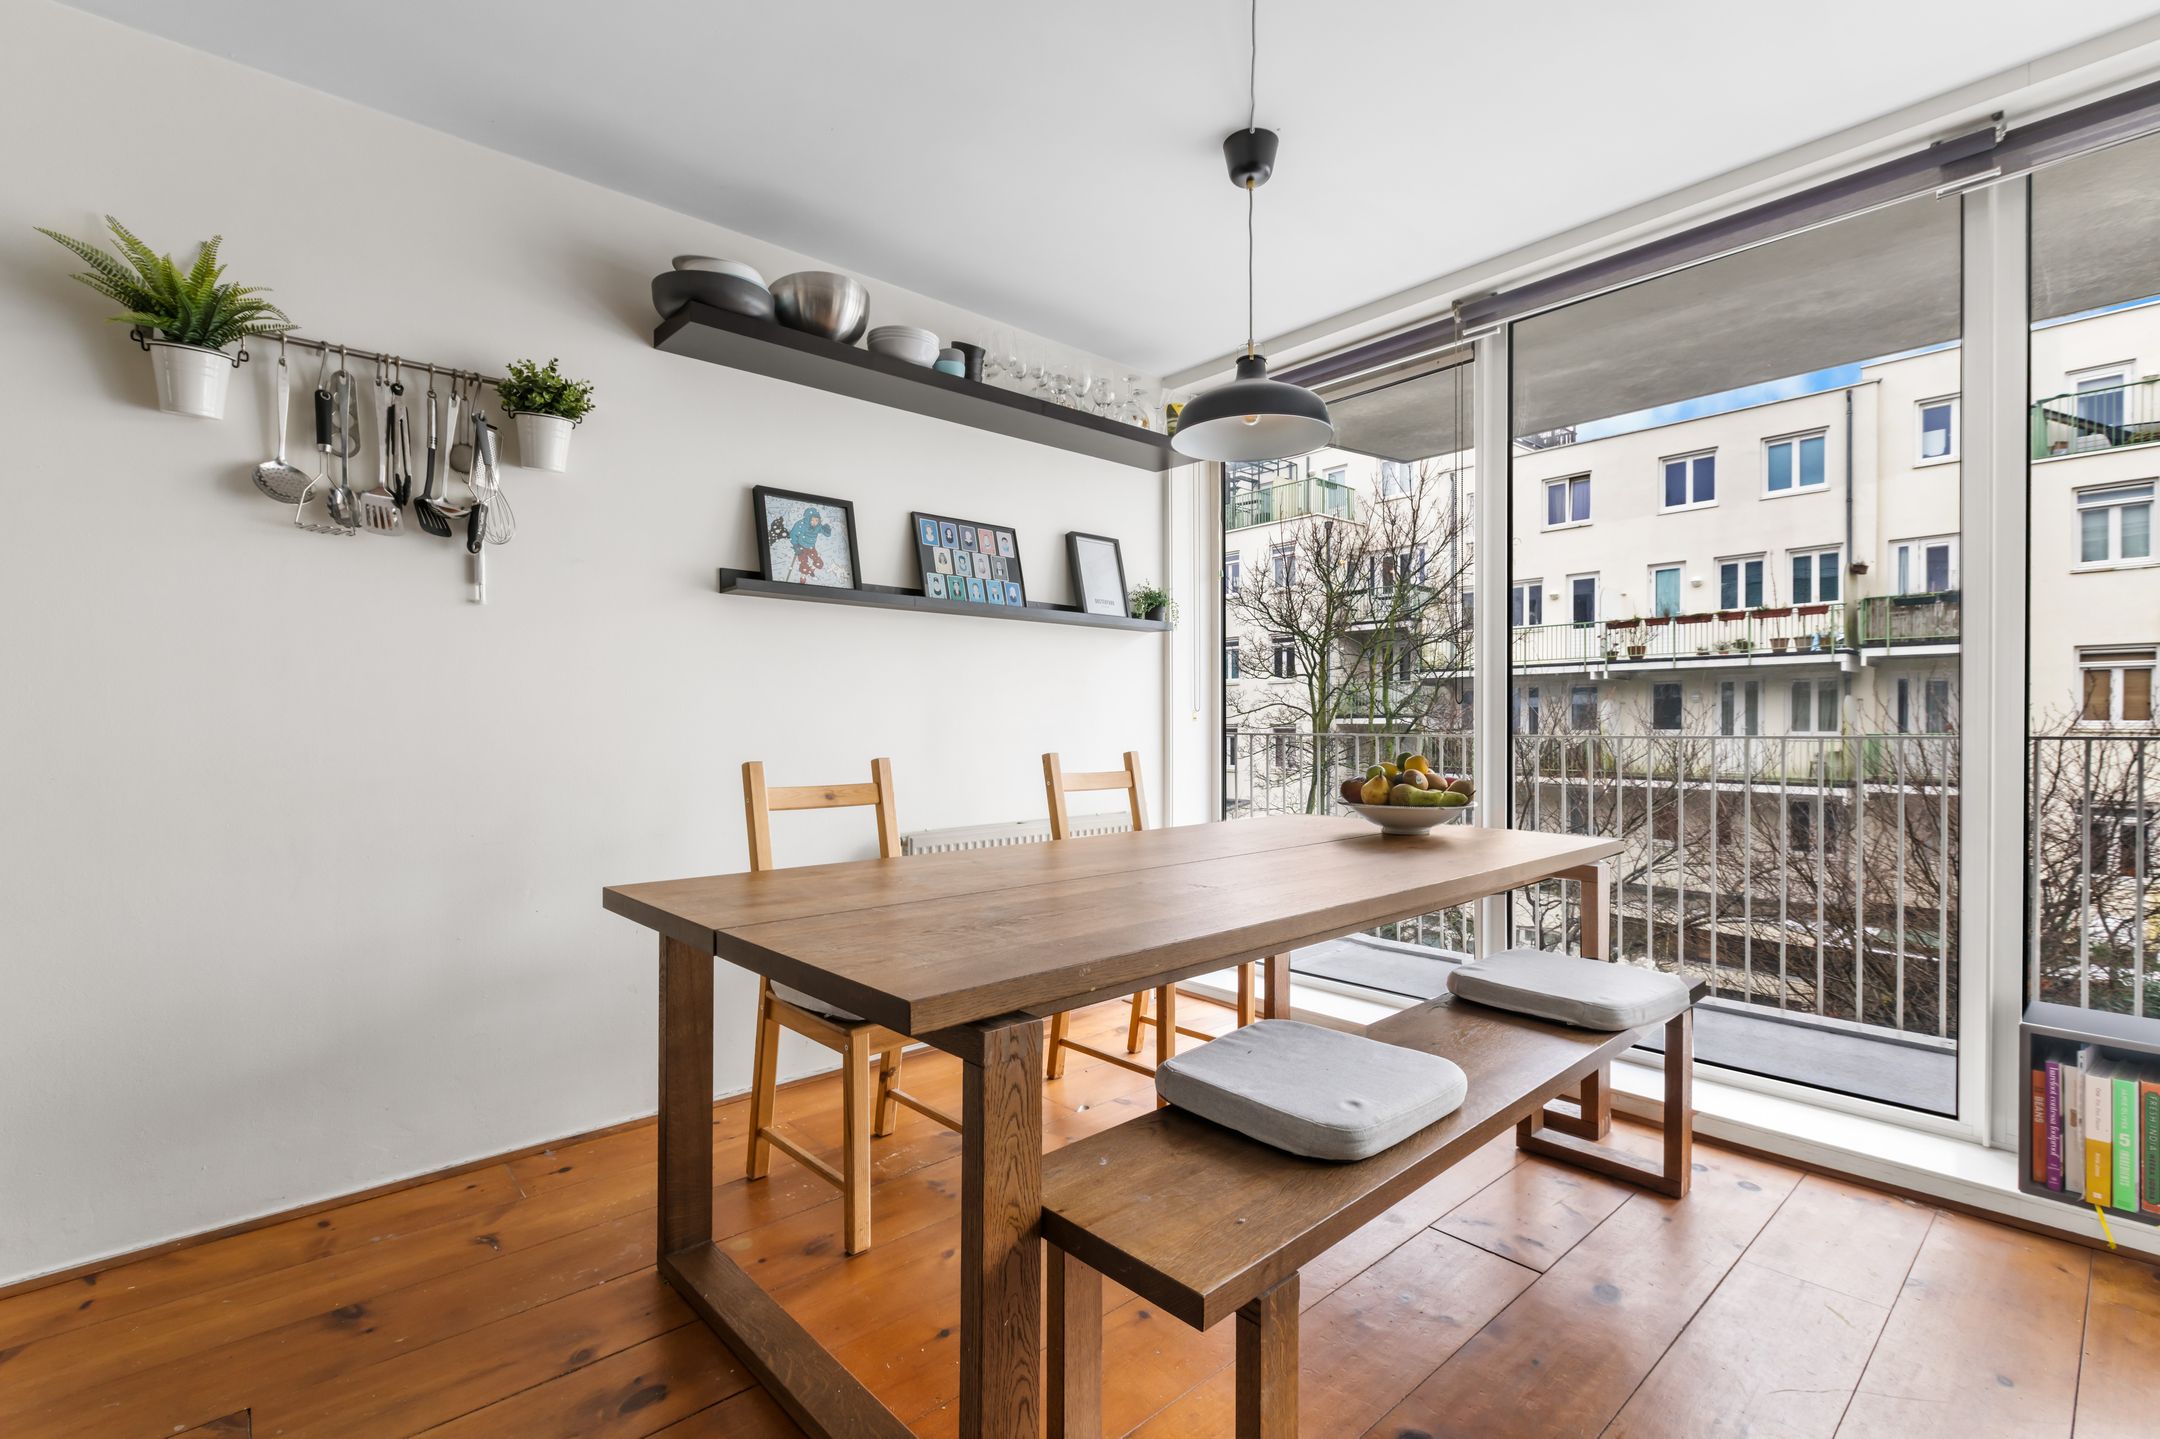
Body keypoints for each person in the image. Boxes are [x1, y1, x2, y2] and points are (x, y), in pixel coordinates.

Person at [786, 507, 832, 580]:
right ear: (808, 519)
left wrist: (827, 530)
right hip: (801, 547)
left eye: (816, 520)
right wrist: (795, 545)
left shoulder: (818, 526)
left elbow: (826, 533)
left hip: (811, 547)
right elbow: (793, 534)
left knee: (818, 562)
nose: (814, 522)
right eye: (812, 520)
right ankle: (803, 577)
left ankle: (811, 570)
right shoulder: (801, 524)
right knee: (804, 564)